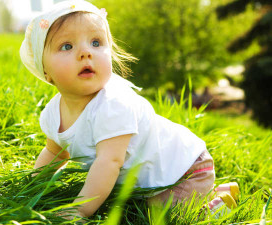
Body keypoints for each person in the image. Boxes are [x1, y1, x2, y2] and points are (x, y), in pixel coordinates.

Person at [20, 0, 238, 221]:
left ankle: (216, 207)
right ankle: (220, 191)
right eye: (67, 46)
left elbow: (109, 162)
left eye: (96, 42)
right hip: (159, 175)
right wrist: (32, 187)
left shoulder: (113, 104)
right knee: (135, 204)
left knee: (157, 215)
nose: (86, 52)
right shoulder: (52, 113)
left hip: (185, 170)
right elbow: (53, 154)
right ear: (45, 71)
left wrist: (80, 209)